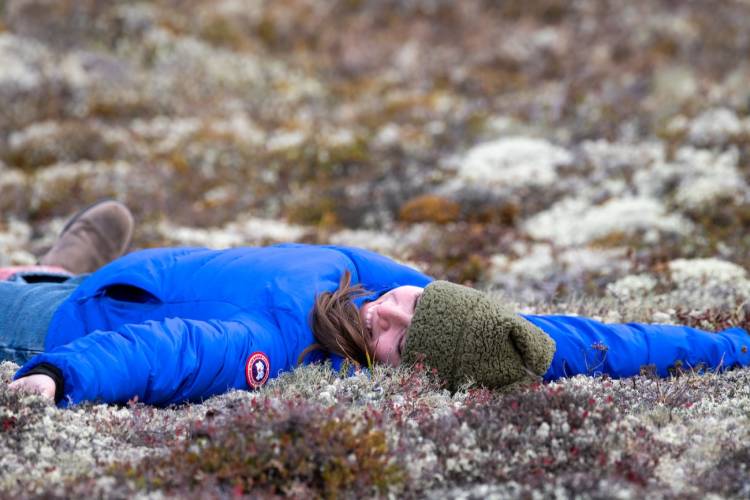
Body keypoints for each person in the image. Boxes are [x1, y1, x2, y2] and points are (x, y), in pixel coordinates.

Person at [4, 202, 750, 407]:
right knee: (70, 262)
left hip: (85, 320)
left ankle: (45, 275)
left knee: (27, 301)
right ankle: (55, 264)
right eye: (406, 302)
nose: (383, 315)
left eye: (398, 339)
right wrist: (734, 346)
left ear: (409, 372)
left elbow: (176, 353)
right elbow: (586, 342)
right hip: (143, 274)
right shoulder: (365, 274)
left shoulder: (280, 344)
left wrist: (63, 378)